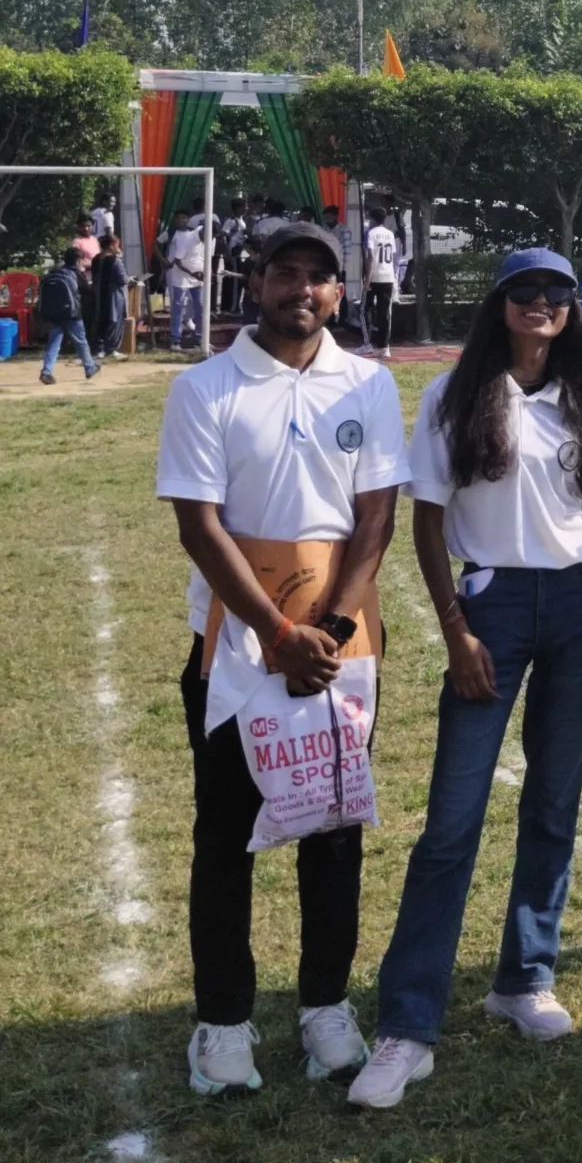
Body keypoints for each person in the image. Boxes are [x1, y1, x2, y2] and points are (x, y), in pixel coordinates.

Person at [350, 250, 582, 1110]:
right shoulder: (456, 394)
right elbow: (427, 522)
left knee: (553, 804)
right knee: (452, 821)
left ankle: (525, 978)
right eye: (524, 291)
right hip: (494, 607)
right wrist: (456, 631)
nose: (541, 303)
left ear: (571, 308)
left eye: (556, 292)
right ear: (500, 303)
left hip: (580, 606)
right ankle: (408, 1024)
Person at [155, 220, 406, 1097]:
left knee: (333, 831)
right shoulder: (205, 387)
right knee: (227, 836)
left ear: (339, 292)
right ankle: (223, 1024)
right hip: (236, 648)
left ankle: (325, 1008)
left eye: (318, 277)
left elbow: (377, 516)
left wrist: (327, 629)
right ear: (255, 281)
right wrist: (274, 633)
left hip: (341, 652)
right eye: (285, 272)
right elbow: (200, 523)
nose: (302, 289)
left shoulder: (368, 383)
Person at [37, 245, 101, 385]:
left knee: (54, 342)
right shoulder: (76, 274)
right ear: (78, 261)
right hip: (71, 314)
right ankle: (89, 367)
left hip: (52, 314)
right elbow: (86, 291)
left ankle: (46, 371)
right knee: (80, 341)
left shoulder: (53, 272)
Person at [166, 212, 208, 351]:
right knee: (178, 307)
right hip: (181, 278)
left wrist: (205, 273)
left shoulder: (208, 237)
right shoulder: (187, 238)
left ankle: (200, 338)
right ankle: (175, 339)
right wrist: (192, 273)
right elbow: (178, 261)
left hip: (198, 279)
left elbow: (205, 258)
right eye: (180, 217)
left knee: (200, 307)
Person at [362, 203, 399, 355]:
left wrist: (367, 280)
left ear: (372, 218)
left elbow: (370, 257)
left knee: (365, 310)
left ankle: (367, 343)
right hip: (388, 276)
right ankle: (384, 347)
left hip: (375, 276)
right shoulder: (390, 234)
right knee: (384, 312)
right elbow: (393, 255)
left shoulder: (371, 233)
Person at [90, 230, 129, 360]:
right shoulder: (115, 261)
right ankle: (111, 349)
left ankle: (99, 349)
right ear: (112, 245)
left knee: (99, 320)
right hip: (113, 295)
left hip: (98, 294)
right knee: (114, 321)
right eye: (117, 244)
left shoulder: (96, 259)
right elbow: (123, 279)